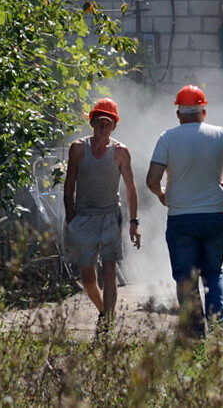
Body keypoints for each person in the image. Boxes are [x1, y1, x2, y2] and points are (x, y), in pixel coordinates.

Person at [146, 84, 223, 337]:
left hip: (180, 217)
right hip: (215, 213)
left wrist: (161, 194)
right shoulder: (221, 134)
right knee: (213, 272)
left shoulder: (167, 138)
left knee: (185, 277)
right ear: (204, 112)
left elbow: (152, 180)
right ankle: (220, 328)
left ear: (178, 113)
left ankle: (195, 333)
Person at [62, 97, 141, 334]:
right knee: (87, 279)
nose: (102, 128)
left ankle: (107, 324)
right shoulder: (78, 148)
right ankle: (105, 313)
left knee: (109, 270)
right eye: (98, 122)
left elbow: (130, 188)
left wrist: (134, 222)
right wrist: (70, 216)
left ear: (114, 125)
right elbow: (69, 185)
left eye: (107, 123)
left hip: (109, 216)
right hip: (84, 216)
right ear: (92, 123)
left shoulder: (120, 152)